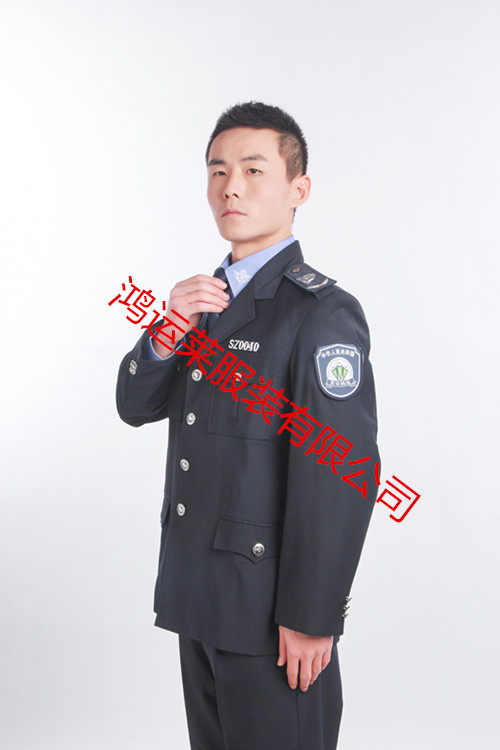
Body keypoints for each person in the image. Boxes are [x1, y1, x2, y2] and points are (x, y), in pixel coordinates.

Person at [116, 101, 380, 750]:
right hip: (199, 599)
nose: (231, 186)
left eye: (253, 169)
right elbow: (135, 406)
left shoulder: (320, 313)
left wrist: (313, 615)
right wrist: (166, 330)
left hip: (272, 616)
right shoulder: (202, 303)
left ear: (299, 189)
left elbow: (342, 471)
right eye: (218, 170)